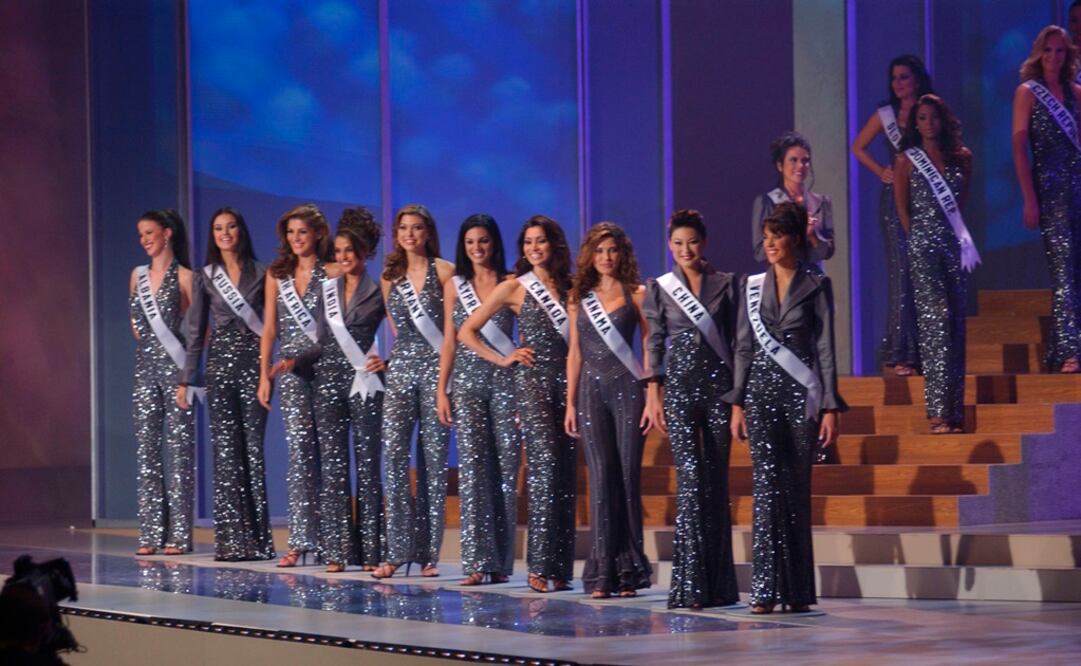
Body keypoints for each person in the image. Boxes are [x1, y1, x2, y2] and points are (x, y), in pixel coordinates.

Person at [727, 202, 846, 614]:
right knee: (765, 487)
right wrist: (737, 403)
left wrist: (830, 406)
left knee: (795, 488)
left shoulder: (816, 285)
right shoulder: (751, 286)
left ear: (795, 238)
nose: (770, 243)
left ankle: (795, 590)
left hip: (801, 395)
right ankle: (764, 589)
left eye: (777, 235)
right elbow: (743, 347)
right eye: (766, 237)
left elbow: (826, 348)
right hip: (760, 395)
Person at [459, 215, 576, 594]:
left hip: (570, 384)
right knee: (543, 471)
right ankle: (538, 566)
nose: (534, 248)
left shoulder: (573, 287)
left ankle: (560, 568)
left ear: (554, 244)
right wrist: (502, 358)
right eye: (528, 242)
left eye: (540, 241)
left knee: (565, 475)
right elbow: (466, 330)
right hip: (532, 385)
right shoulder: (514, 287)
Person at [271, 209, 387, 573]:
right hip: (325, 382)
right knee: (333, 466)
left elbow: (403, 331)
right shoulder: (328, 290)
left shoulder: (377, 289)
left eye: (350, 250)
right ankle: (336, 550)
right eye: (339, 251)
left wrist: (388, 361)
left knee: (367, 466)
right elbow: (321, 340)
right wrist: (293, 361)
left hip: (364, 384)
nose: (344, 257)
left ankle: (370, 550)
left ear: (364, 252)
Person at [643, 209, 739, 610]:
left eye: (693, 242)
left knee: (716, 482)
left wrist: (739, 398)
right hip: (679, 391)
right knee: (690, 480)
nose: (686, 250)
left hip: (719, 390)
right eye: (678, 243)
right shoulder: (659, 287)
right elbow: (654, 341)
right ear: (669, 245)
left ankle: (719, 585)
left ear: (705, 242)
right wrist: (653, 393)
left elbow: (738, 342)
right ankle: (690, 585)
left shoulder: (727, 284)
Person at [564, 222, 656, 599]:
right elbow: (574, 353)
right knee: (600, 479)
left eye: (612, 250)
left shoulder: (638, 294)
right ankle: (603, 572)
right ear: (590, 255)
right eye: (599, 251)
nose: (606, 257)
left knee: (627, 477)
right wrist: (570, 403)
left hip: (628, 389)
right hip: (590, 391)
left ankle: (629, 571)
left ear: (622, 254)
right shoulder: (578, 297)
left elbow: (649, 345)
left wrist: (652, 394)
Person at [179, 207, 274, 561]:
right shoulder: (205, 276)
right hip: (219, 367)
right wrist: (187, 378)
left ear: (241, 230)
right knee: (226, 453)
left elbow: (271, 327)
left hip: (254, 364)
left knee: (253, 451)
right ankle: (232, 541)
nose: (225, 233)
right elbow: (195, 332)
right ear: (213, 235)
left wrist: (266, 372)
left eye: (231, 226)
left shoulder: (263, 272)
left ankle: (259, 542)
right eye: (218, 228)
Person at [436, 214, 521, 586]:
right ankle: (475, 561)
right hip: (467, 385)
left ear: (494, 243)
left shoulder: (511, 283)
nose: (477, 248)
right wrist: (442, 389)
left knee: (505, 471)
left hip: (505, 384)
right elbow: (450, 340)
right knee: (473, 472)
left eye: (483, 240)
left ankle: (500, 562)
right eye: (470, 242)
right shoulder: (455, 285)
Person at [374, 204, 455, 579]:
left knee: (433, 462)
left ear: (428, 232)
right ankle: (395, 552)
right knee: (393, 456)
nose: (410, 234)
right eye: (403, 228)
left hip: (437, 371)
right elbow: (396, 329)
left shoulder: (446, 271)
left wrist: (444, 383)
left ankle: (428, 555)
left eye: (417, 227)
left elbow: (451, 332)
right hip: (401, 372)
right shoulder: (389, 277)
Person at [258, 203, 339, 567]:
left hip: (326, 366)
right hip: (290, 371)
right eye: (290, 233)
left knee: (329, 453)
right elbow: (270, 328)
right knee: (300, 452)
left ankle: (331, 541)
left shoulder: (333, 272)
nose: (295, 239)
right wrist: (264, 374)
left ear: (318, 234)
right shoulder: (278, 275)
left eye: (302, 232)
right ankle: (301, 540)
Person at [895, 94, 976, 433]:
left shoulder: (962, 158)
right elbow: (902, 209)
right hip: (923, 248)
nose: (929, 124)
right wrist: (917, 242)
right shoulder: (906, 160)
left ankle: (954, 413)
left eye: (934, 117)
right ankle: (937, 412)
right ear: (915, 124)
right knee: (936, 321)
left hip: (953, 247)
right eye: (922, 118)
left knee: (955, 323)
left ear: (943, 120)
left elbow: (961, 203)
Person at [852, 55, 934, 376]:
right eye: (894, 78)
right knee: (901, 274)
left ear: (917, 79)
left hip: (926, 200)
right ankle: (902, 352)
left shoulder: (929, 110)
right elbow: (858, 147)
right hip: (893, 203)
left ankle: (927, 350)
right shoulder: (886, 115)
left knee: (924, 274)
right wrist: (881, 172)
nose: (898, 84)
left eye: (904, 77)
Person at [1012, 25, 1081, 373]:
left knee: (1077, 269)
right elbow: (1019, 148)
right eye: (1049, 50)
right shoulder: (1028, 92)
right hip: (1050, 192)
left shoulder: (1076, 93)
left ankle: (1063, 347)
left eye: (1060, 51)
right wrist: (1029, 199)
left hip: (1078, 188)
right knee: (1063, 270)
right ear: (1039, 53)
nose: (1054, 57)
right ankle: (1069, 352)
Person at [129, 209, 196, 556]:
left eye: (149, 232)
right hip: (144, 370)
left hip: (177, 372)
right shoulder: (137, 276)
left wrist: (188, 377)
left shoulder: (186, 277)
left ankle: (179, 534)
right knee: (147, 451)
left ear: (167, 233)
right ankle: (151, 532)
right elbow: (137, 327)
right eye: (141, 234)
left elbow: (199, 333)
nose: (144, 240)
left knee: (179, 452)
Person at [751, 132, 835, 270]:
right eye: (793, 160)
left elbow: (828, 252)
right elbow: (760, 252)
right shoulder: (767, 202)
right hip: (782, 276)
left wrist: (812, 235)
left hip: (814, 277)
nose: (800, 165)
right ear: (780, 166)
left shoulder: (822, 202)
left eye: (805, 160)